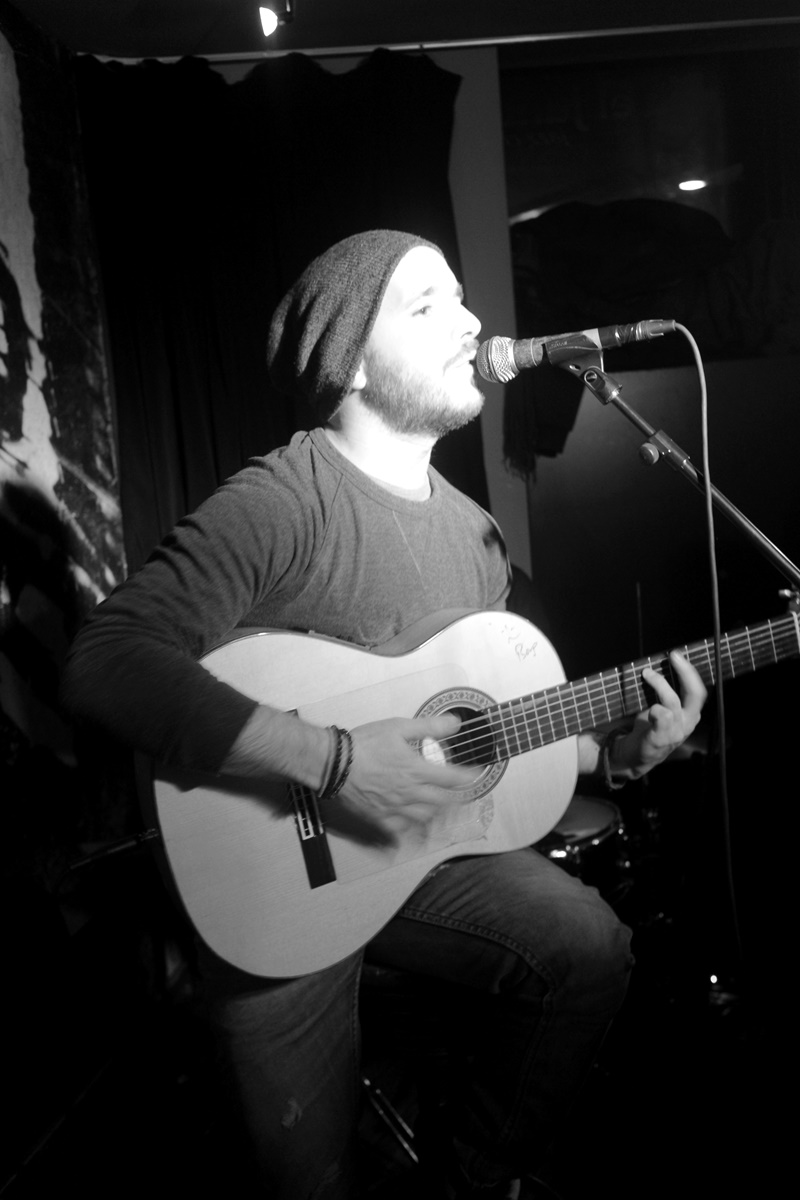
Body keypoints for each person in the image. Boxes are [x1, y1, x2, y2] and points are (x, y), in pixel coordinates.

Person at [62, 230, 707, 1199]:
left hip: (418, 859)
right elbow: (106, 663)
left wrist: (617, 754)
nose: (472, 323)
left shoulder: (474, 535)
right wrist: (331, 760)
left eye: (462, 298)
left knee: (590, 948)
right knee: (308, 1180)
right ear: (351, 362)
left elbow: (487, 731)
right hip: (275, 882)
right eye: (427, 305)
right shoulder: (285, 499)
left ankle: (471, 1179)